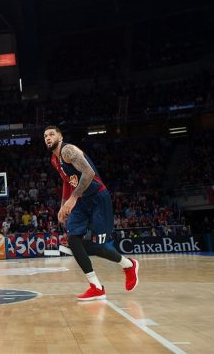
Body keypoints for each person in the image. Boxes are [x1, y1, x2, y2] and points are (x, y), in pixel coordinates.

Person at [43, 126, 139, 300]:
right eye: (45, 136)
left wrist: (73, 198)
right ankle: (96, 286)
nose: (48, 138)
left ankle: (128, 265)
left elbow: (89, 173)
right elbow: (67, 181)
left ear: (60, 137)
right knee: (73, 240)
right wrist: (63, 205)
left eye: (51, 134)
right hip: (81, 201)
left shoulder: (68, 151)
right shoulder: (54, 160)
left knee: (97, 246)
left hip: (97, 199)